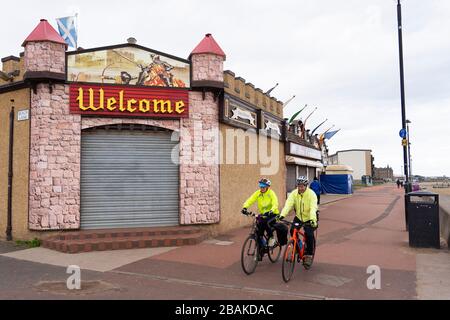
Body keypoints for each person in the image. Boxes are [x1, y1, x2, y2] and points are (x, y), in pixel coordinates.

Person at [241, 178, 287, 259]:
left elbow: (275, 203)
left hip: (273, 214)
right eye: (260, 186)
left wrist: (271, 210)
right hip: (263, 214)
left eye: (263, 187)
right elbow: (250, 199)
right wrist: (245, 207)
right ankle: (261, 251)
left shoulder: (271, 193)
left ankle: (272, 238)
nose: (261, 188)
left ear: (267, 187)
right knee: (259, 233)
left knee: (266, 223)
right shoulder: (258, 193)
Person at [278, 176, 318, 268]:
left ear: (306, 186)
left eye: (302, 186)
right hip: (299, 217)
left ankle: (308, 255)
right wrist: (282, 215)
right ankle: (298, 244)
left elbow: (313, 208)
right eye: (299, 186)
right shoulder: (294, 193)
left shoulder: (311, 194)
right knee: (292, 231)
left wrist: (312, 220)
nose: (300, 188)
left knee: (309, 234)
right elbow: (288, 205)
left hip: (310, 218)